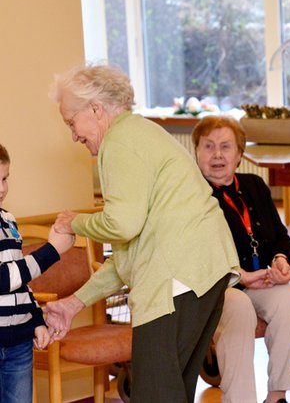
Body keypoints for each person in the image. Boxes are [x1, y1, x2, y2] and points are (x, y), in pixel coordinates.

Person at [45, 65, 240, 402]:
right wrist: (73, 304)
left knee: (154, 393)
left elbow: (122, 225)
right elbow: (127, 254)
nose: (74, 134)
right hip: (202, 274)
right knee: (172, 390)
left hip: (178, 280)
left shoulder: (118, 142)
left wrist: (73, 222)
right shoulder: (139, 134)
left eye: (70, 122)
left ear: (95, 110)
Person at [193, 116, 290, 403]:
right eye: (209, 146)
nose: (217, 154)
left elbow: (281, 236)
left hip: (259, 283)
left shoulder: (254, 185)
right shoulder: (192, 196)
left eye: (226, 147)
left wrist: (280, 260)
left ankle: (277, 395)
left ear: (239, 155)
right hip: (215, 288)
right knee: (239, 304)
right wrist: (239, 275)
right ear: (196, 152)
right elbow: (195, 254)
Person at [0, 143, 75, 402]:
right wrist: (52, 250)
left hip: (19, 342)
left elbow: (21, 282)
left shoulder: (8, 220)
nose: (2, 188)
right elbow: (3, 279)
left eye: (5, 178)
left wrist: (36, 321)